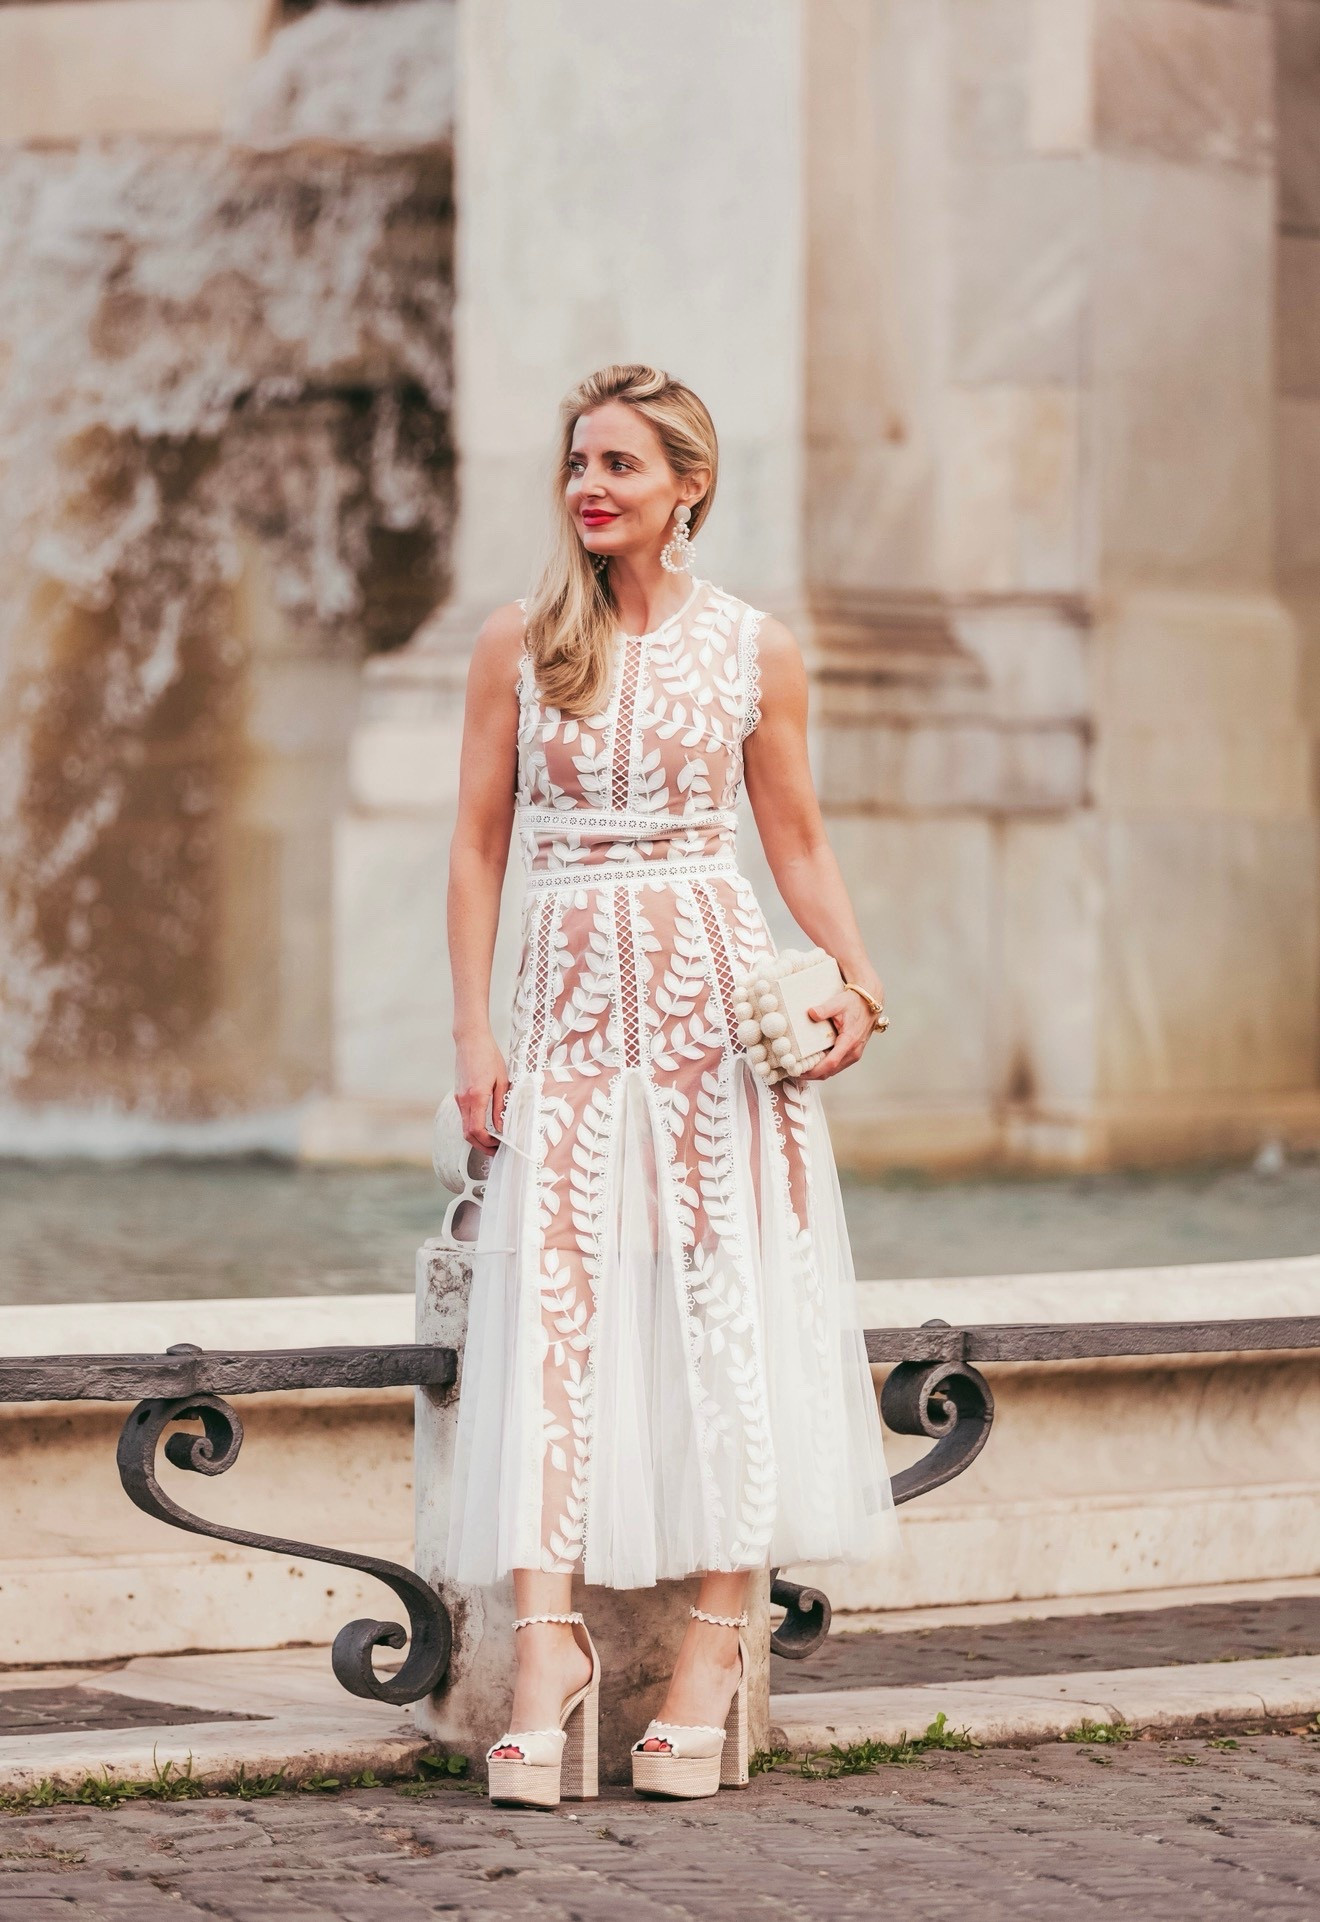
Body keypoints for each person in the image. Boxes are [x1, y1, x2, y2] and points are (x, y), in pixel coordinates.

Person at [444, 362, 899, 1806]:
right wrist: (473, 1034)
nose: (592, 485)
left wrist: (858, 978)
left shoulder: (754, 650)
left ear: (686, 484)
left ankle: (714, 1640)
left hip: (713, 1011)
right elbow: (473, 847)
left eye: (623, 465)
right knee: (551, 1316)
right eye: (580, 461)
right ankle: (545, 1650)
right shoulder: (519, 641)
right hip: (570, 1015)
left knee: (727, 1306)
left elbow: (799, 840)